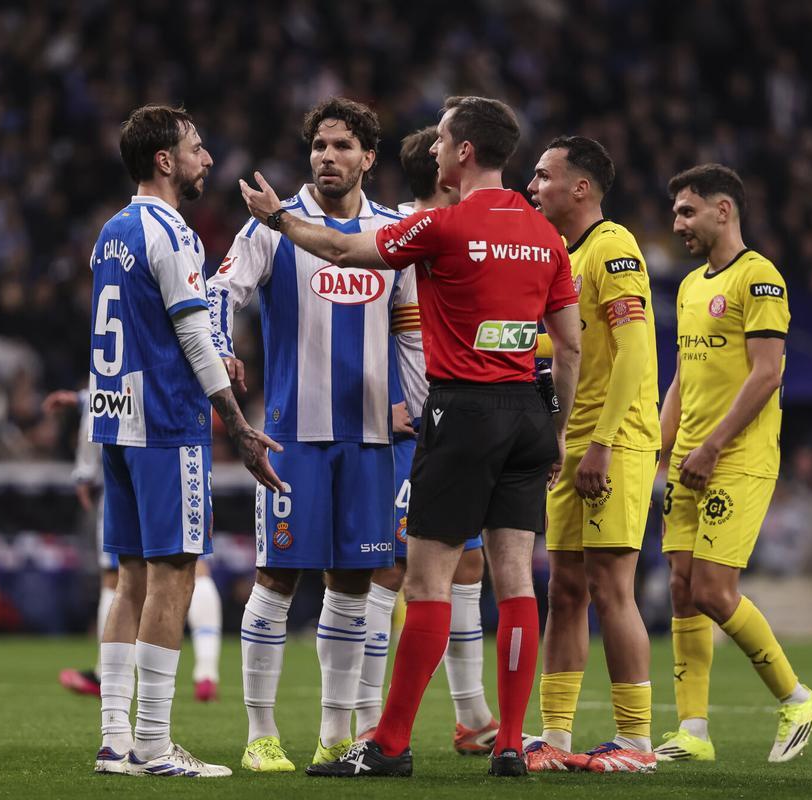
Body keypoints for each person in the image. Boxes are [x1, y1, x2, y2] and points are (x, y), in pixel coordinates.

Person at [240, 94, 582, 779]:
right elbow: (570, 348)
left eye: (441, 141)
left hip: (461, 414)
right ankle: (510, 741)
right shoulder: (547, 236)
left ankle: (389, 744)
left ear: (464, 152)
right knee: (515, 580)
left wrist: (278, 217)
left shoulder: (442, 226)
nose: (430, 151)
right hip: (527, 414)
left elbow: (340, 247)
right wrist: (558, 431)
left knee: (425, 584)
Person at [208, 98, 421, 772]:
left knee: (356, 582)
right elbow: (222, 292)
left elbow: (412, 331)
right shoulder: (271, 226)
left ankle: (335, 735)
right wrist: (221, 348)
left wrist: (416, 405)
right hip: (292, 437)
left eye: (342, 145)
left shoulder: (394, 234)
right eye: (320, 145)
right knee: (276, 577)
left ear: (369, 157)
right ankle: (261, 733)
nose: (329, 156)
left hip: (369, 441)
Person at [89, 104, 282, 780]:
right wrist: (237, 423)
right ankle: (153, 744)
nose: (206, 160)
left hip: (115, 421)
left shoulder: (110, 232)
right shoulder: (173, 231)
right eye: (197, 148)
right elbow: (195, 334)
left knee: (131, 579)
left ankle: (115, 741)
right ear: (165, 160)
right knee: (173, 576)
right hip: (168, 427)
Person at [655, 163, 812, 764]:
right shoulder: (691, 284)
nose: (677, 224)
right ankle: (693, 733)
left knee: (713, 590)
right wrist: (661, 442)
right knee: (680, 588)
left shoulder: (761, 277)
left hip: (736, 457)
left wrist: (713, 445)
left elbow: (768, 373)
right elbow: (682, 375)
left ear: (723, 210)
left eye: (687, 211)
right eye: (675, 213)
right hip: (688, 457)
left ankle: (797, 698)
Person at [353, 126, 500, 755]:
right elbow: (360, 320)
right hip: (404, 433)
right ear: (443, 173)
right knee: (390, 573)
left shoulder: (459, 236)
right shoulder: (405, 237)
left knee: (468, 565)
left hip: (454, 429)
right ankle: (365, 714)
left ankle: (471, 716)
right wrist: (381, 402)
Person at [522, 136, 660, 774]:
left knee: (611, 586)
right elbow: (566, 347)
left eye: (544, 175)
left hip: (617, 435)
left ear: (581, 188)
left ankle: (636, 743)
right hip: (571, 438)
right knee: (567, 590)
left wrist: (602, 442)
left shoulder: (614, 247)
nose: (532, 185)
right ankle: (554, 734)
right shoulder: (558, 254)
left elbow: (633, 350)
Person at [45, 389, 224, 702]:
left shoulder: (122, 340)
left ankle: (108, 678)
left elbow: (108, 391)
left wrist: (85, 468)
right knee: (188, 566)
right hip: (182, 446)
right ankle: (206, 670)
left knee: (120, 578)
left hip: (130, 450)